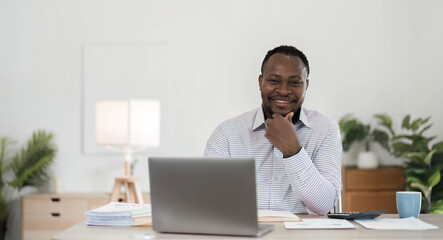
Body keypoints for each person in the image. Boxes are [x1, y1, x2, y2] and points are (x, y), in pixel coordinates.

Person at [203, 45, 342, 215]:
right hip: (245, 233)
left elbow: (325, 205)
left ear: (306, 85)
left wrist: (293, 151)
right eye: (274, 81)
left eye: (294, 82)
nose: (283, 90)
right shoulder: (227, 132)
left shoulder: (325, 129)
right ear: (260, 82)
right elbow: (209, 197)